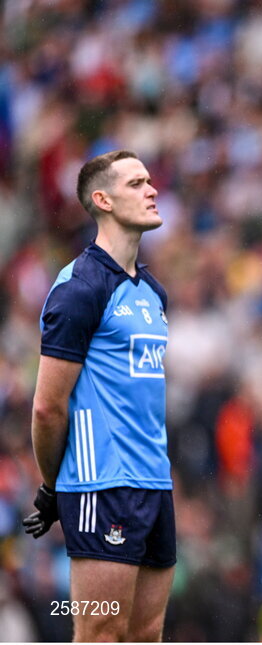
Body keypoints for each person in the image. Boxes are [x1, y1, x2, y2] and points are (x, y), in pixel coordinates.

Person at [23, 150, 175, 641]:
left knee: (146, 633)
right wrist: (53, 487)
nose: (152, 190)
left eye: (150, 181)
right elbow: (48, 406)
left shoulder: (152, 292)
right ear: (102, 200)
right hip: (100, 486)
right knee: (100, 631)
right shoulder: (80, 287)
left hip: (154, 482)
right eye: (137, 183)